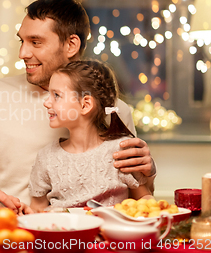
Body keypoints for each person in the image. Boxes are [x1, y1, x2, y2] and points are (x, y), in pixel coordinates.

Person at [0, 0, 156, 217]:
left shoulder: (113, 109)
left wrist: (148, 170)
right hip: (12, 235)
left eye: (36, 42)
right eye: (22, 41)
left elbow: (136, 197)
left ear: (71, 44)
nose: (22, 53)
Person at [29, 60, 152, 212]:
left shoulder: (121, 151)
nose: (47, 103)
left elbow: (145, 199)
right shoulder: (46, 157)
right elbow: (36, 210)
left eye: (56, 95)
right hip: (64, 233)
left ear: (85, 105)